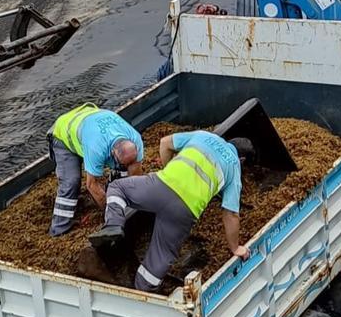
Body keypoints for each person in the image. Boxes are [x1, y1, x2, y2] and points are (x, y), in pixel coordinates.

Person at [88, 130, 254, 292]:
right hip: (184, 211)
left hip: (161, 186)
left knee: (118, 188)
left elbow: (165, 143)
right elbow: (231, 213)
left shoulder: (205, 136)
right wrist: (235, 248)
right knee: (161, 255)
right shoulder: (233, 166)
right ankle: (144, 288)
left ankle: (114, 225)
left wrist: (169, 171)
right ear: (242, 159)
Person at [46, 104, 145, 236]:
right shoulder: (96, 148)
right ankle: (58, 229)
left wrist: (137, 202)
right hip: (64, 134)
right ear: (112, 153)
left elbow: (136, 175)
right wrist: (110, 212)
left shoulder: (136, 139)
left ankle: (118, 194)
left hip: (89, 117)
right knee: (71, 182)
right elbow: (92, 185)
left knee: (123, 169)